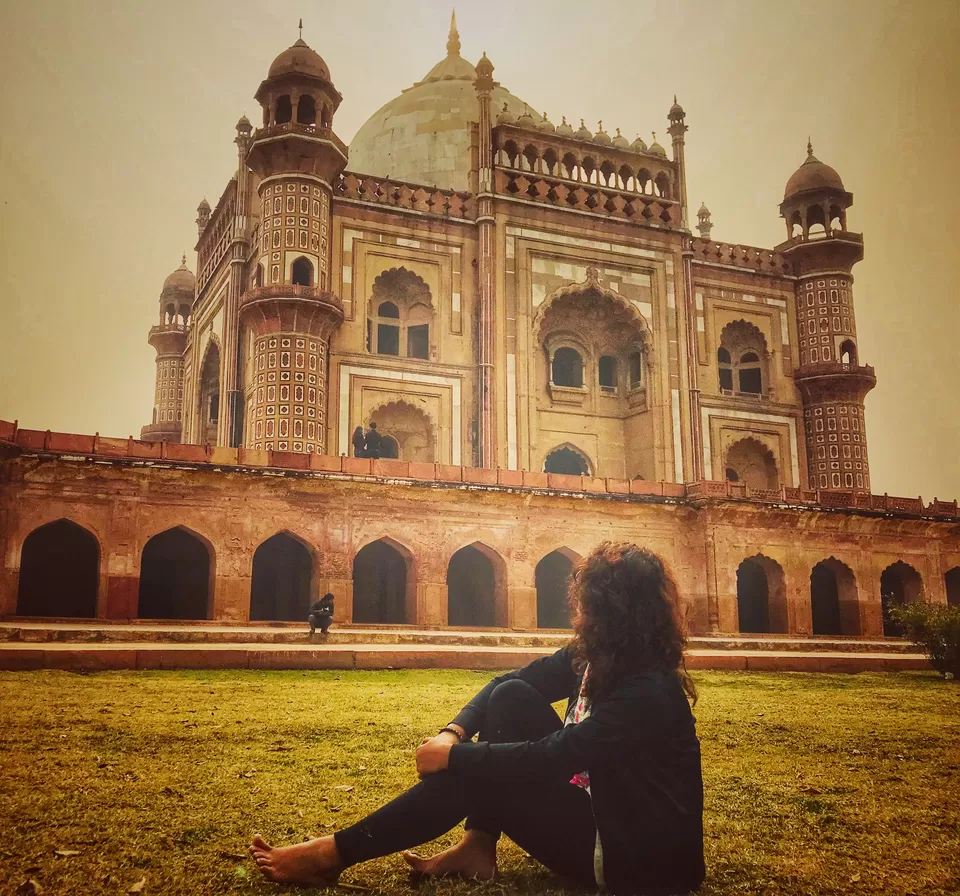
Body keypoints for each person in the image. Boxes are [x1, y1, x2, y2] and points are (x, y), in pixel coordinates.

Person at [251, 543, 705, 896]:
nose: (578, 612)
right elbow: (507, 683)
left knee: (483, 771)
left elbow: (551, 758)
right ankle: (476, 846)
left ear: (610, 611)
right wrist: (453, 733)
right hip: (604, 818)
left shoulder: (649, 690)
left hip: (639, 863)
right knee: (512, 696)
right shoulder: (596, 656)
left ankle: (333, 853)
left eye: (586, 602)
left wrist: (456, 760)